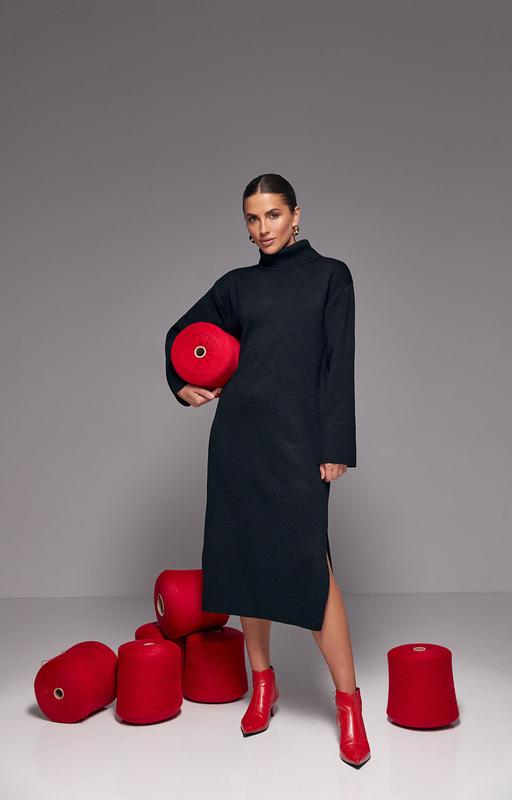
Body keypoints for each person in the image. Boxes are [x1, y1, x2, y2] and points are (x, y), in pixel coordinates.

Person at [165, 173, 370, 768]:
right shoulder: (236, 287)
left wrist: (336, 444)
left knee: (312, 568)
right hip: (239, 444)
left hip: (300, 444)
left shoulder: (331, 276)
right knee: (248, 562)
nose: (263, 229)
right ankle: (263, 684)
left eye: (273, 215)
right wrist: (182, 384)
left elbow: (339, 362)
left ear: (296, 215)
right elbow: (182, 337)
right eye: (252, 219)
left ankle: (349, 703)